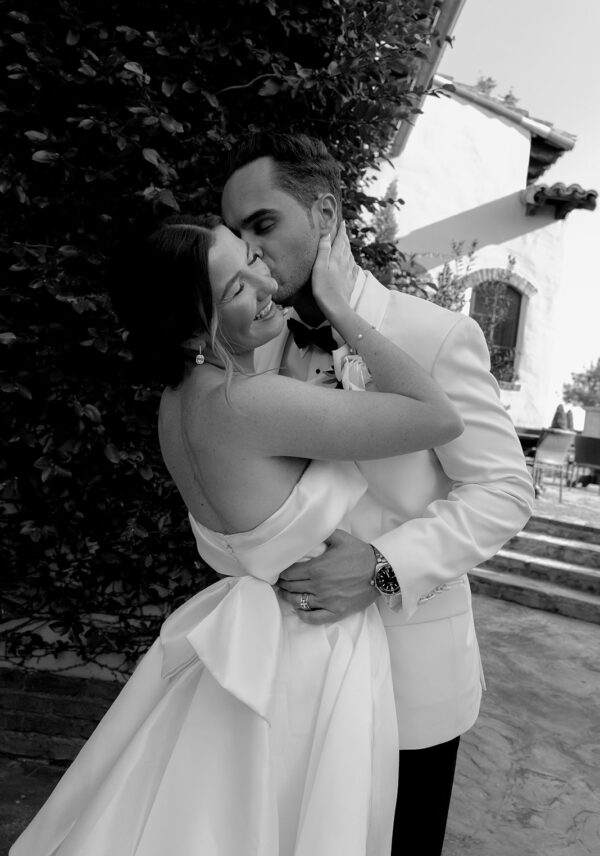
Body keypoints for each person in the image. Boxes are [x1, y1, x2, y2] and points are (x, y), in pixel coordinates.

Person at [10, 214, 465, 856]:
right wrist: (341, 307)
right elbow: (437, 417)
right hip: (309, 652)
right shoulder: (246, 404)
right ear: (192, 325)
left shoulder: (180, 402)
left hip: (266, 639)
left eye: (253, 259)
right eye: (236, 289)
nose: (267, 284)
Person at [221, 133, 535, 856]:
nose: (249, 253)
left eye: (263, 224)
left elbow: (503, 488)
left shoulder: (434, 334)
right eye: (237, 236)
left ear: (325, 215)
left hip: (408, 682)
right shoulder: (256, 349)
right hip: (287, 672)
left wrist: (382, 566)